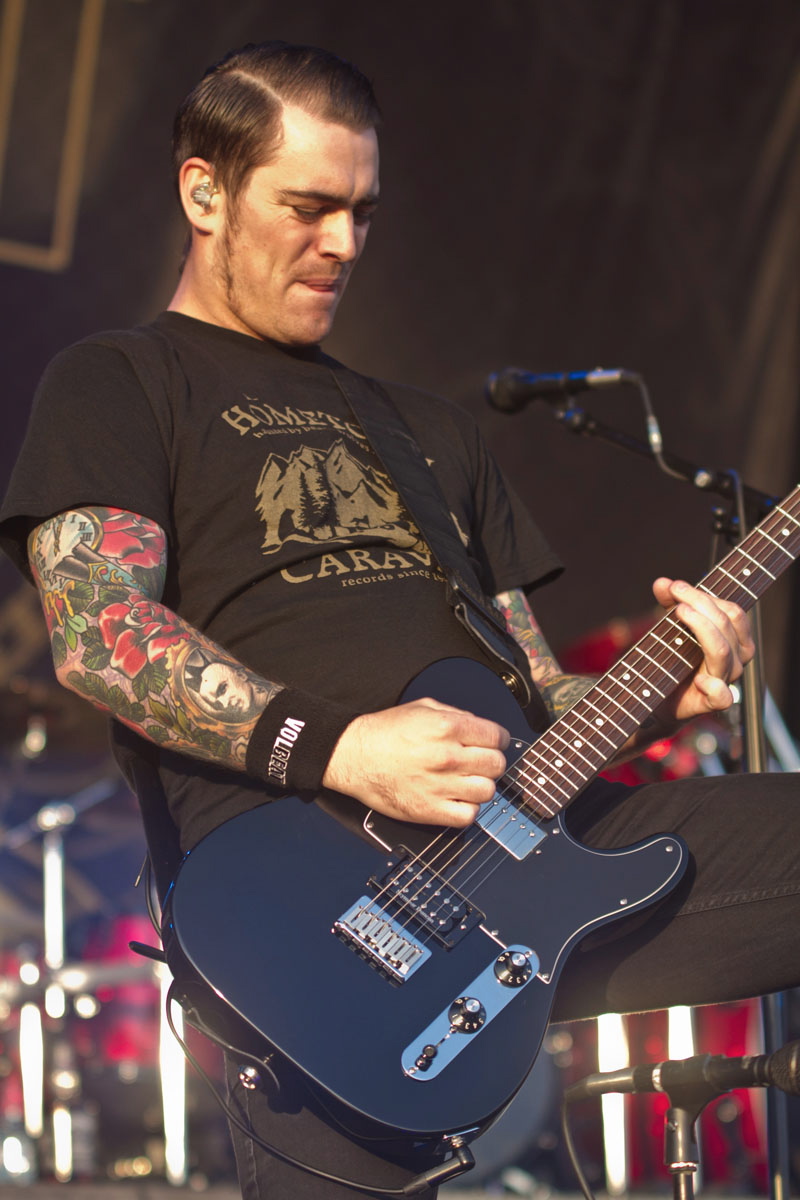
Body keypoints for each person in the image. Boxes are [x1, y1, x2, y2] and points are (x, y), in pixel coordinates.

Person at [1, 40, 799, 1200]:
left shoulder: (430, 433)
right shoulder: (122, 381)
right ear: (203, 193)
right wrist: (344, 751)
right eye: (308, 207)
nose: (342, 243)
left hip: (534, 856)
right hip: (314, 928)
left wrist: (644, 692)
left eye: (363, 213)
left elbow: (534, 693)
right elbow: (99, 634)